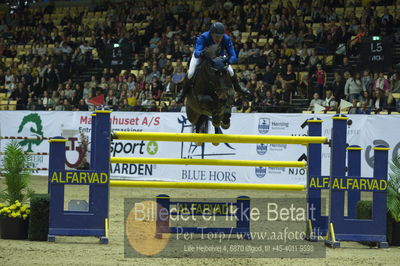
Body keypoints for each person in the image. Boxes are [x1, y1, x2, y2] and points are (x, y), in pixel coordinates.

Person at [175, 22, 250, 103]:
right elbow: (197, 53)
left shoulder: (226, 39)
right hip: (202, 57)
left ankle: (239, 88)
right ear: (211, 34)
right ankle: (182, 93)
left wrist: (227, 61)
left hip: (219, 57)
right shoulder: (203, 37)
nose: (218, 39)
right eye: (216, 36)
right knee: (190, 73)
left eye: (220, 36)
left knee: (231, 71)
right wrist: (203, 53)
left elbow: (233, 56)